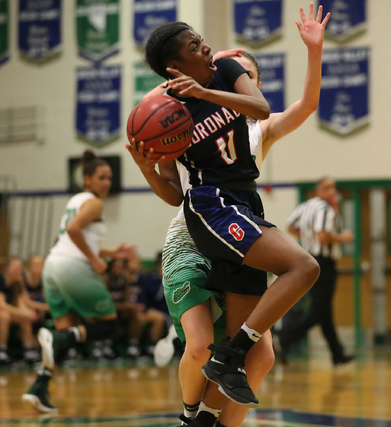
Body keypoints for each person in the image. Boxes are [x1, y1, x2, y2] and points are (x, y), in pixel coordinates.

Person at [128, 3, 329, 424]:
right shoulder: (169, 107)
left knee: (256, 357)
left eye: (203, 41)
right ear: (173, 66)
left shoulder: (230, 81)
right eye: (195, 45)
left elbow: (262, 107)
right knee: (302, 268)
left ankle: (205, 414)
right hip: (206, 211)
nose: (208, 49)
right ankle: (215, 372)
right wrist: (147, 168)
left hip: (245, 207)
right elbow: (172, 193)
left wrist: (314, 51)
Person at [22, 149, 137, 413]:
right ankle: (56, 338)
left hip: (53, 266)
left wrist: (109, 252)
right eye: (101, 178)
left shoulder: (76, 199)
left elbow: (72, 235)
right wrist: (96, 261)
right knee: (108, 325)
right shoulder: (94, 203)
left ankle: (39, 387)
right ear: (87, 179)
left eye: (109, 178)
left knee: (67, 334)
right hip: (72, 268)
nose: (107, 183)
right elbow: (74, 231)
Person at [278, 177, 355, 366]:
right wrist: (343, 238)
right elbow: (323, 237)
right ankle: (284, 337)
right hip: (324, 263)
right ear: (317, 191)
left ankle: (337, 353)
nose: (332, 191)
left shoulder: (306, 206)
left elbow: (290, 226)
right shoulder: (325, 209)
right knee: (318, 311)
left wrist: (307, 237)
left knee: (324, 311)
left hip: (309, 259)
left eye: (333, 188)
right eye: (327, 188)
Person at [0, 257, 40, 366]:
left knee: (24, 317)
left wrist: (28, 313)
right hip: (3, 313)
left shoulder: (18, 281)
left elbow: (21, 302)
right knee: (4, 316)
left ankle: (28, 350)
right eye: (16, 267)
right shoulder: (1, 280)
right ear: (7, 268)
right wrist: (23, 313)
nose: (19, 270)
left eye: (20, 267)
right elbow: (2, 306)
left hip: (8, 313)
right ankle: (2, 351)